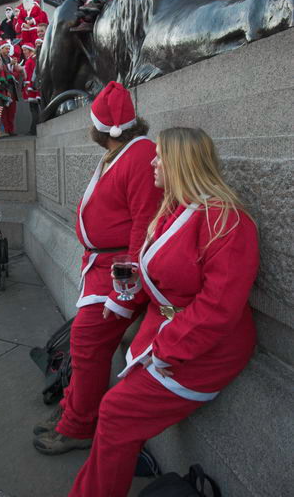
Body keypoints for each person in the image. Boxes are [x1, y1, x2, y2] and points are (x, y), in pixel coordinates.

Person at [67, 127, 260, 497]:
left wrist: (169, 349)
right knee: (115, 415)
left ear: (182, 164)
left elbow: (219, 307)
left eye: (161, 157)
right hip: (169, 337)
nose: (152, 162)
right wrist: (122, 295)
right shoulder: (175, 208)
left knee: (115, 412)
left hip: (205, 351)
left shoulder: (228, 222)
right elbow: (161, 275)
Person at [33, 81, 162, 455]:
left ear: (100, 127)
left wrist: (127, 289)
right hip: (103, 264)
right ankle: (74, 407)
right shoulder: (122, 151)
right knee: (83, 344)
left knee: (88, 344)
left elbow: (144, 224)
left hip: (118, 269)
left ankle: (79, 425)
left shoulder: (138, 155)